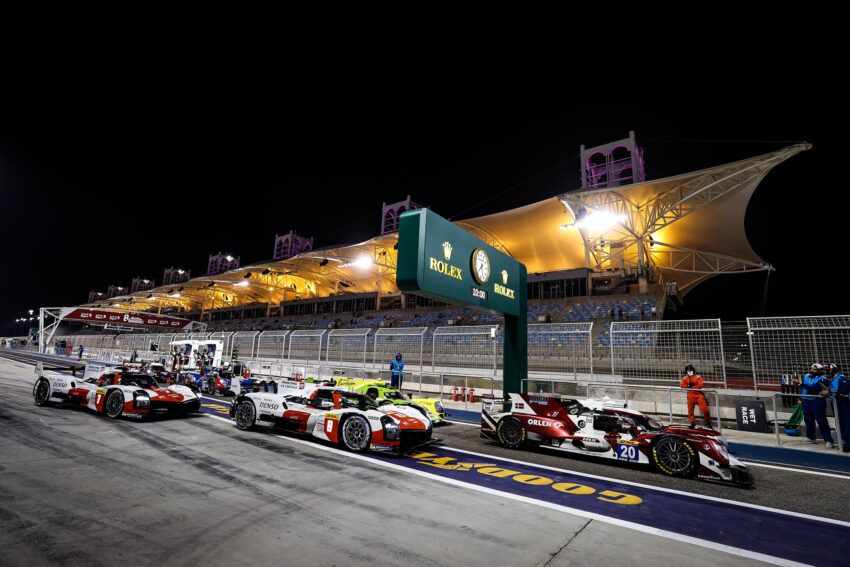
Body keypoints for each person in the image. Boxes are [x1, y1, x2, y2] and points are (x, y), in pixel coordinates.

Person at [800, 364, 833, 448]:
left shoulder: (822, 379)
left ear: (819, 370)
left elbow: (815, 389)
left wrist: (801, 384)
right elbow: (803, 388)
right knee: (808, 419)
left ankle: (828, 440)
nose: (811, 370)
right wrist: (800, 398)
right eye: (811, 368)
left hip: (817, 401)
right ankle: (811, 437)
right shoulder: (807, 376)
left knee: (821, 421)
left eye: (814, 369)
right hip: (807, 400)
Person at [827, 363, 850, 452]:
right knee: (839, 423)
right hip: (836, 404)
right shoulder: (832, 379)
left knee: (846, 423)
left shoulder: (842, 378)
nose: (827, 371)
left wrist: (830, 392)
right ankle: (844, 441)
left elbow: (844, 392)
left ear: (834, 369)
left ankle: (848, 444)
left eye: (829, 369)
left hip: (843, 405)